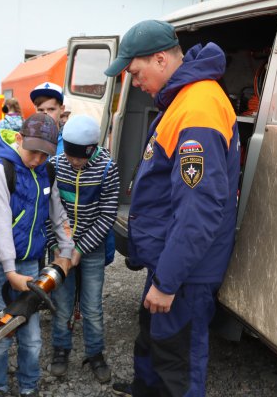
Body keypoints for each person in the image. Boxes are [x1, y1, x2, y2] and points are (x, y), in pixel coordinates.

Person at [103, 20, 240, 396]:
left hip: (185, 272)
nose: (134, 82)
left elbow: (200, 209)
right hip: (170, 261)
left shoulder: (199, 108)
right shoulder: (183, 99)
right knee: (152, 340)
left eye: (135, 72)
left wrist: (167, 282)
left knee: (177, 360)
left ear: (160, 59)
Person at [0, 113, 75, 397]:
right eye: (34, 152)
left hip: (30, 262)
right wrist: (9, 270)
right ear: (18, 139)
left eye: (46, 154)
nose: (39, 159)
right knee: (1, 331)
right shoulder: (0, 170)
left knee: (31, 337)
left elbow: (58, 213)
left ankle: (29, 386)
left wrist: (67, 250)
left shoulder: (46, 172)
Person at [47, 115, 120, 384]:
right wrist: (58, 247)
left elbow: (107, 214)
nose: (73, 162)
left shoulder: (107, 168)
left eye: (79, 157)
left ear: (92, 149)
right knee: (62, 304)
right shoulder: (55, 165)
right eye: (69, 154)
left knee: (92, 307)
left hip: (92, 247)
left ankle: (95, 353)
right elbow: (48, 211)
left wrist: (81, 249)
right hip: (61, 249)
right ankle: (60, 349)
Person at [30, 82, 66, 156]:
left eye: (51, 109)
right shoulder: (27, 137)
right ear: (35, 110)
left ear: (62, 109)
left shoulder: (69, 139)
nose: (45, 114)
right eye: (40, 110)